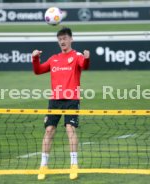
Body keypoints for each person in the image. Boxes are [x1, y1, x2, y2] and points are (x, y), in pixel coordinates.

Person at [32, 27, 90, 180]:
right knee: (49, 130)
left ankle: (73, 164)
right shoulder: (54, 58)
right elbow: (38, 71)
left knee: (70, 129)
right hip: (55, 100)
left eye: (65, 38)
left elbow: (85, 65)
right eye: (60, 39)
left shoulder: (77, 56)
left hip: (71, 99)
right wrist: (35, 58)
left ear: (71, 39)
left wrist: (87, 58)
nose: (62, 41)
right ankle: (43, 166)